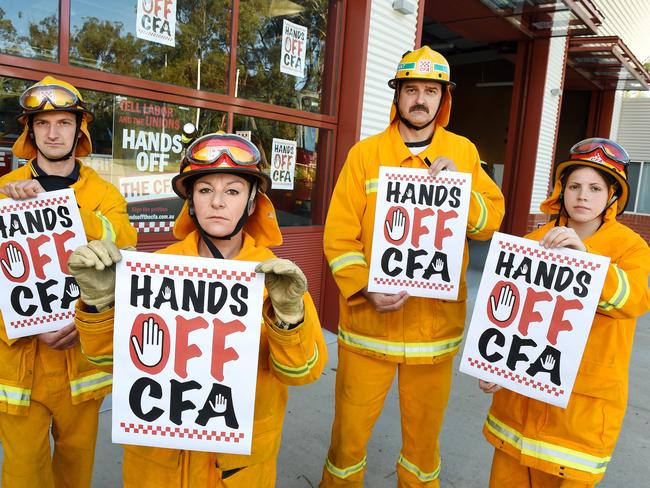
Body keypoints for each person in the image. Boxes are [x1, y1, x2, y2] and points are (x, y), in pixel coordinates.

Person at [67, 130, 327, 487]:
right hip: (156, 469)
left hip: (236, 471)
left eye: (232, 191)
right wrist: (100, 305)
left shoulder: (276, 278)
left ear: (253, 203)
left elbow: (302, 373)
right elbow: (106, 361)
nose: (217, 202)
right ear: (190, 200)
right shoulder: (156, 270)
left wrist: (288, 317)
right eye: (205, 190)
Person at [320, 46, 505, 487]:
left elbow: (490, 221)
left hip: (433, 334)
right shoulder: (365, 155)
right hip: (368, 329)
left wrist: (461, 195)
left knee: (424, 450)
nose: (420, 99)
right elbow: (339, 236)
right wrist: (365, 287)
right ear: (398, 95)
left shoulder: (462, 152)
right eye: (411, 90)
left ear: (444, 99)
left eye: (430, 91)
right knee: (346, 444)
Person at [479, 138, 650, 487]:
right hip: (517, 413)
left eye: (595, 188)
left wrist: (585, 260)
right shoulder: (532, 242)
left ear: (612, 195)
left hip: (579, 420)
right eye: (574, 186)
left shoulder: (631, 248)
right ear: (561, 189)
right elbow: (509, 318)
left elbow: (635, 299)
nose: (583, 196)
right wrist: (494, 365)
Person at [0, 76, 137, 487]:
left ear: (80, 130)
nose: (54, 132)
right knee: (22, 475)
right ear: (30, 131)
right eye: (43, 124)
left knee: (75, 475)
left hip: (80, 364)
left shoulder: (105, 194)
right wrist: (21, 321)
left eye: (63, 122)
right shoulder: (3, 192)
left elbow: (124, 248)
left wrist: (66, 209)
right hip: (17, 362)